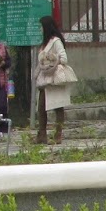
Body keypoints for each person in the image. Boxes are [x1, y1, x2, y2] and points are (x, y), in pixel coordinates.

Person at [34, 14, 77, 145]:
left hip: (54, 79)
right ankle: (42, 134)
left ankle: (58, 134)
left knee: (57, 106)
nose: (40, 29)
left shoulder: (55, 41)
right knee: (41, 107)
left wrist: (50, 60)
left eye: (41, 27)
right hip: (45, 78)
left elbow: (63, 58)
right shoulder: (45, 43)